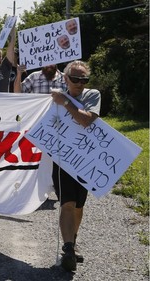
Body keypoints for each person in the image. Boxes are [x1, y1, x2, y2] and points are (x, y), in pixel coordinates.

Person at [50, 60, 101, 272]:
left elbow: (87, 120)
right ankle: (68, 248)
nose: (80, 83)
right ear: (65, 78)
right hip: (63, 158)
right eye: (75, 79)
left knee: (79, 206)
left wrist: (66, 103)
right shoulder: (55, 96)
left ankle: (73, 240)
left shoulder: (92, 95)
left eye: (84, 79)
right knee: (67, 203)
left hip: (85, 159)